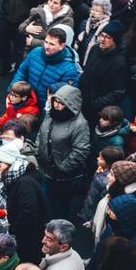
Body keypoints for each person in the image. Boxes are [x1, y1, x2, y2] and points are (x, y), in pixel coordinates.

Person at [36, 84, 90, 220]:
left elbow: (81, 151)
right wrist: (38, 150)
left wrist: (63, 167)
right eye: (56, 101)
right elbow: (41, 133)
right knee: (47, 199)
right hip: (45, 169)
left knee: (61, 204)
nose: (56, 105)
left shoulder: (80, 124)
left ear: (71, 104)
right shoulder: (51, 114)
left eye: (61, 103)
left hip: (62, 176)